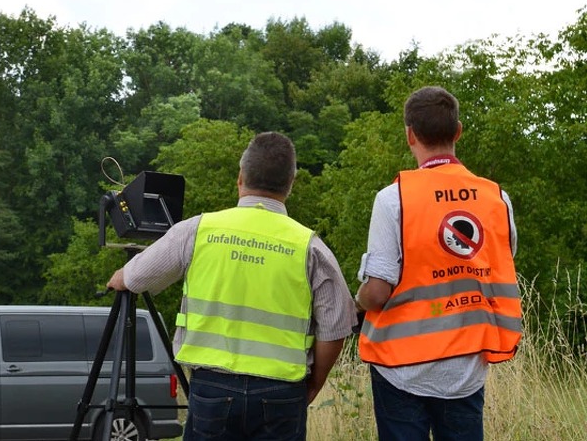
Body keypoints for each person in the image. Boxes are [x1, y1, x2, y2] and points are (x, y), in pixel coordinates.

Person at [106, 131, 356, 441]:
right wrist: (315, 383)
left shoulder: (198, 230)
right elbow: (335, 328)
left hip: (212, 387)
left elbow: (135, 277)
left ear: (240, 178)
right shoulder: (310, 247)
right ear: (290, 184)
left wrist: (120, 276)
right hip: (282, 391)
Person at [355, 86, 522, 441]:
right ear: (458, 131)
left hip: (399, 369)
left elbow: (377, 291)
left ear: (409, 135)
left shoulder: (392, 199)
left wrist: (359, 301)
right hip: (465, 370)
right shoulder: (497, 198)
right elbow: (498, 264)